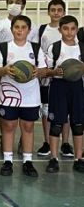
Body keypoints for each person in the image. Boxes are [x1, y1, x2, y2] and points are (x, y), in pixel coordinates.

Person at [0, 15, 47, 177]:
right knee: (8, 126)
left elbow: (44, 70)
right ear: (12, 29)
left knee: (28, 127)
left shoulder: (36, 48)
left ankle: (27, 162)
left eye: (23, 28)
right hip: (9, 94)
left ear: (29, 31)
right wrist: (4, 71)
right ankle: (7, 161)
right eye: (17, 27)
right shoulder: (4, 48)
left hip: (30, 95)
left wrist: (38, 72)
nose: (20, 30)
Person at [44, 15, 84, 173]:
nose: (69, 32)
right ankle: (53, 158)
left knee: (78, 124)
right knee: (56, 124)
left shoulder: (81, 47)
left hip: (77, 87)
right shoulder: (54, 48)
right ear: (60, 29)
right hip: (58, 87)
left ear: (76, 29)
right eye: (66, 28)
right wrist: (54, 71)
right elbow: (45, 70)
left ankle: (78, 158)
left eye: (73, 28)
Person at [37, 0, 73, 158]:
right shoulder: (42, 29)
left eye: (59, 9)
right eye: (53, 9)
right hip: (47, 75)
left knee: (65, 110)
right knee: (46, 110)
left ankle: (65, 143)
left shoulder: (71, 32)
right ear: (48, 12)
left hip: (65, 77)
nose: (56, 12)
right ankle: (47, 142)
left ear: (64, 11)